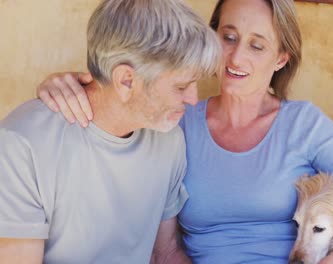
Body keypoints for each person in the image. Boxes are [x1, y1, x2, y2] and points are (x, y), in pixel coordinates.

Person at [36, 0, 333, 263]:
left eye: (257, 45)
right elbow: (115, 113)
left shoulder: (304, 124)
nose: (236, 57)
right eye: (228, 37)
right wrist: (71, 86)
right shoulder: (173, 119)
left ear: (280, 58)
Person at [0, 0, 221, 263]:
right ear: (126, 80)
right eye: (182, 86)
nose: (194, 99)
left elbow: (166, 253)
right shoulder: (22, 146)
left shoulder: (169, 140)